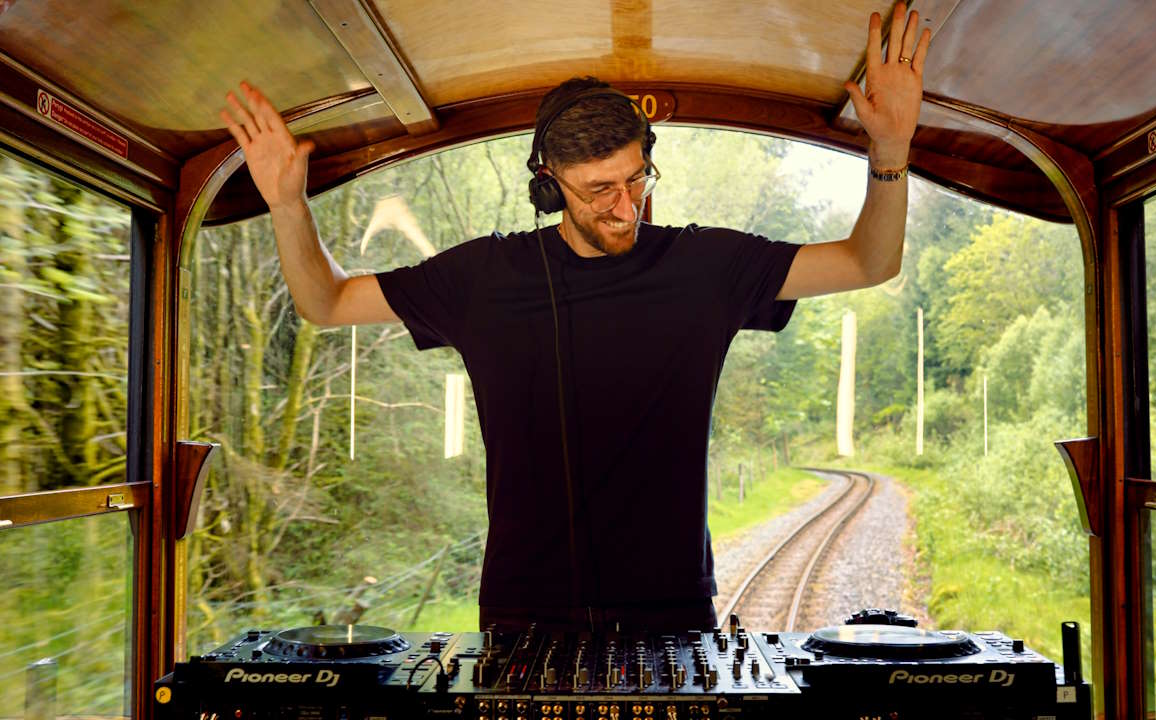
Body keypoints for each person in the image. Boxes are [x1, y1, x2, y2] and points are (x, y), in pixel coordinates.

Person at [220, 3, 930, 633]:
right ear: (548, 184)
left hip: (673, 613)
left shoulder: (706, 268)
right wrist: (287, 203)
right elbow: (328, 301)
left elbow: (869, 262)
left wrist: (890, 150)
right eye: (597, 191)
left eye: (634, 180)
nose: (624, 208)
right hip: (523, 617)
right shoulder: (481, 279)